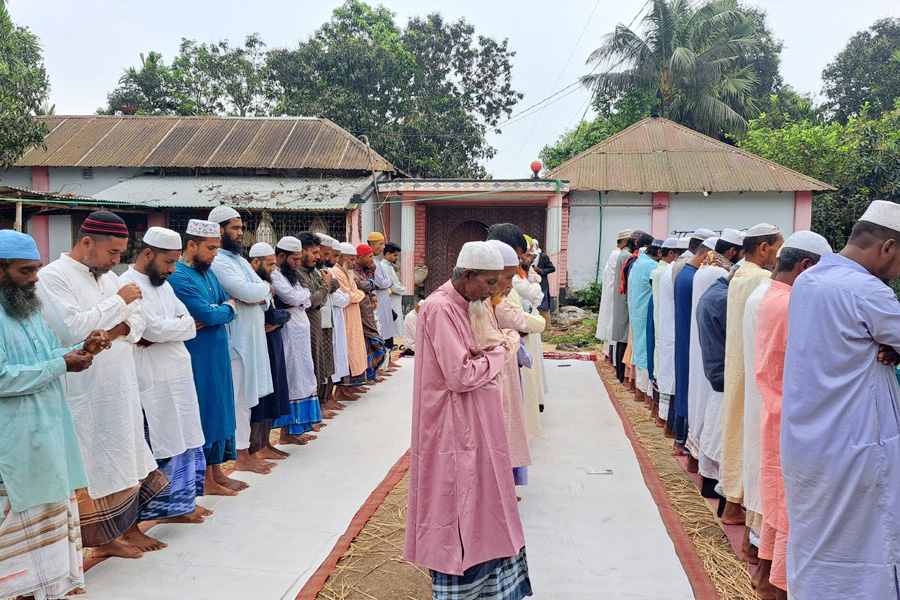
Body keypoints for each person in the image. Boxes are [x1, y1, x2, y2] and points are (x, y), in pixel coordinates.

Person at [781, 201, 900, 598]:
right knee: (865, 547)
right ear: (887, 248)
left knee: (815, 542)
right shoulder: (867, 291)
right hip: (859, 447)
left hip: (808, 442)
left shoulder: (809, 280)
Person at [405, 241, 532, 600]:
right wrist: (502, 350)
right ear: (468, 276)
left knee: (486, 501)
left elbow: (477, 359)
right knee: (458, 505)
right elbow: (461, 375)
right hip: (451, 426)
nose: (497, 291)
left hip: (476, 419)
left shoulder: (471, 303)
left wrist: (490, 352)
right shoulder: (440, 308)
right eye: (491, 283)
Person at [37, 211, 167, 558]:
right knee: (93, 461)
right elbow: (71, 329)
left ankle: (122, 532)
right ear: (87, 242)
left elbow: (139, 320)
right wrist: (119, 303)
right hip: (85, 389)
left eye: (121, 253)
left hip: (120, 385)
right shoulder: (54, 277)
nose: (117, 260)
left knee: (124, 455)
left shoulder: (109, 278)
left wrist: (111, 331)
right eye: (112, 252)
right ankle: (99, 542)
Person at [0, 230, 107, 600]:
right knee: (14, 524)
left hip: (48, 432)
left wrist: (82, 347)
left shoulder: (27, 310)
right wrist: (61, 364)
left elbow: (49, 357)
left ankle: (45, 587)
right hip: (12, 442)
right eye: (24, 271)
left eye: (37, 269)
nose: (34, 279)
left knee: (50, 513)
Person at [752, 232, 831, 600]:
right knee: (789, 505)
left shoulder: (773, 295)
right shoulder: (791, 304)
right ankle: (775, 585)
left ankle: (766, 573)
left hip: (777, 412)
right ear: (806, 267)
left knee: (778, 499)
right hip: (793, 417)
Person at [121, 227, 209, 525]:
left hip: (179, 375)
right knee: (160, 442)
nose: (173, 269)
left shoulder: (165, 285)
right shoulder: (127, 284)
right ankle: (160, 512)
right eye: (168, 262)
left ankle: (183, 506)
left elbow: (189, 322)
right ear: (148, 254)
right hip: (151, 380)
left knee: (185, 438)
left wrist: (171, 329)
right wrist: (173, 328)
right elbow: (151, 329)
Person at [167, 219, 243, 497]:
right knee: (205, 412)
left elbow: (228, 305)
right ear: (191, 245)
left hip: (218, 351)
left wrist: (221, 310)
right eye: (210, 248)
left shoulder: (208, 273)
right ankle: (204, 481)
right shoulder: (179, 276)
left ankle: (216, 472)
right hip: (197, 356)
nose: (214, 254)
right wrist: (222, 310)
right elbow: (210, 313)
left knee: (220, 409)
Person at [721, 224, 783, 531]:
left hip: (738, 360)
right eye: (776, 248)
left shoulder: (739, 275)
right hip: (754, 365)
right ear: (763, 248)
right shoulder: (761, 279)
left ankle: (732, 500)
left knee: (738, 428)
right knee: (751, 434)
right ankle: (740, 507)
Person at [208, 206, 274, 475]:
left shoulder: (242, 260)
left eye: (241, 228)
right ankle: (238, 456)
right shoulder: (218, 261)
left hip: (253, 340)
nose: (240, 233)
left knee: (247, 400)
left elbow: (264, 295)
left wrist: (260, 293)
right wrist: (260, 292)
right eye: (234, 228)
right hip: (235, 342)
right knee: (236, 401)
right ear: (219, 230)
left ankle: (246, 453)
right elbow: (245, 291)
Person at [685, 232, 743, 477]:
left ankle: (696, 457)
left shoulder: (703, 271)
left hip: (703, 349)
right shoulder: (719, 276)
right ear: (732, 252)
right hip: (717, 357)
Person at [270, 236, 322, 444]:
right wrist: (299, 298)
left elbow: (305, 298)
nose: (298, 263)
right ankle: (286, 432)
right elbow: (292, 298)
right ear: (282, 257)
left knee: (304, 376)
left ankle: (297, 428)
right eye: (295, 259)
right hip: (288, 335)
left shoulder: (291, 276)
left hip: (300, 332)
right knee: (292, 379)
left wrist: (299, 297)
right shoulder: (276, 275)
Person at [248, 242, 292, 463]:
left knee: (272, 391)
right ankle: (255, 446)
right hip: (261, 344)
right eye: (270, 264)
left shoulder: (266, 284)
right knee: (262, 397)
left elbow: (280, 314)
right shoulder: (253, 284)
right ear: (256, 263)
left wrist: (281, 319)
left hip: (272, 342)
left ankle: (265, 443)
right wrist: (281, 318)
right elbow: (273, 316)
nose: (274, 268)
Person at [670, 228, 715, 448]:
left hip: (685, 337)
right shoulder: (693, 276)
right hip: (690, 339)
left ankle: (681, 437)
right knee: (689, 384)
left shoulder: (686, 273)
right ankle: (684, 439)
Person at [295, 232, 339, 419]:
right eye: (316, 253)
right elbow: (312, 301)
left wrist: (326, 284)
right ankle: (313, 412)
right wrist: (325, 285)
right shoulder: (299, 273)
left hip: (317, 322)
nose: (319, 257)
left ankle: (318, 409)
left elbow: (334, 285)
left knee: (320, 364)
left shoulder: (313, 271)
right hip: (306, 326)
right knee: (311, 366)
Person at [333, 243, 368, 399]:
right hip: (344, 317)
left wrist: (355, 295)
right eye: (351, 260)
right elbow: (350, 296)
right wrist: (356, 295)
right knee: (346, 351)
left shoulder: (347, 272)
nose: (354, 263)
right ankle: (341, 390)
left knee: (355, 349)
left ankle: (350, 387)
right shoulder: (336, 272)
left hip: (353, 316)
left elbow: (355, 293)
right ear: (341, 257)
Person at [626, 232, 657, 407]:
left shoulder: (638, 262)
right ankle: (646, 396)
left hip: (637, 312)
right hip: (645, 314)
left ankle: (639, 392)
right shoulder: (651, 266)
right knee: (646, 352)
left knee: (639, 350)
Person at [596, 230, 632, 362]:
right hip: (615, 295)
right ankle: (614, 356)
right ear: (625, 242)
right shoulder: (619, 255)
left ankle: (611, 352)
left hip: (612, 294)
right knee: (615, 325)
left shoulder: (615, 254)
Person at [354, 244, 388, 382]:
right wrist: (371, 283)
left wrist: (371, 278)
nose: (371, 260)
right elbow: (365, 285)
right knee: (369, 341)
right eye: (369, 257)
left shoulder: (368, 268)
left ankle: (372, 374)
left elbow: (370, 284)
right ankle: (367, 376)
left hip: (368, 308)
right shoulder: (354, 270)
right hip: (360, 311)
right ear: (361, 257)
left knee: (373, 339)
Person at [367, 232, 397, 353]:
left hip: (384, 299)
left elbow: (387, 281)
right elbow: (381, 283)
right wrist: (389, 282)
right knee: (381, 330)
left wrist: (388, 282)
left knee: (387, 327)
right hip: (377, 299)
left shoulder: (376, 260)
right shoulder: (372, 262)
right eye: (381, 244)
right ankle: (382, 364)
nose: (383, 247)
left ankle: (387, 361)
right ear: (373, 244)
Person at [381, 241, 408, 354]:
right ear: (388, 254)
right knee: (391, 326)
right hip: (390, 300)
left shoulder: (389, 266)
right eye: (395, 255)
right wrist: (404, 289)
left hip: (395, 299)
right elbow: (391, 285)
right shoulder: (384, 266)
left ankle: (391, 355)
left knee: (394, 326)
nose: (396, 257)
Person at [533, 240, 556, 331]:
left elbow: (552, 268)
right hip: (532, 286)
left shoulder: (543, 257)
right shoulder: (528, 257)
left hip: (542, 286)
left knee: (544, 307)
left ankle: (547, 328)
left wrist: (541, 271)